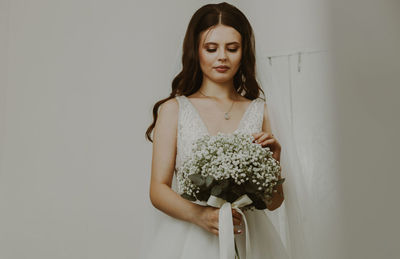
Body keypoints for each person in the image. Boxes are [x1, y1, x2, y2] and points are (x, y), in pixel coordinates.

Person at [143, 2, 289, 258]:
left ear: (243, 52)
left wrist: (274, 163)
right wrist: (201, 215)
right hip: (191, 239)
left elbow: (274, 204)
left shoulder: (260, 111)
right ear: (196, 51)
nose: (222, 56)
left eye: (232, 48)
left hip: (248, 240)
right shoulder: (174, 110)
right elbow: (158, 189)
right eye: (211, 48)